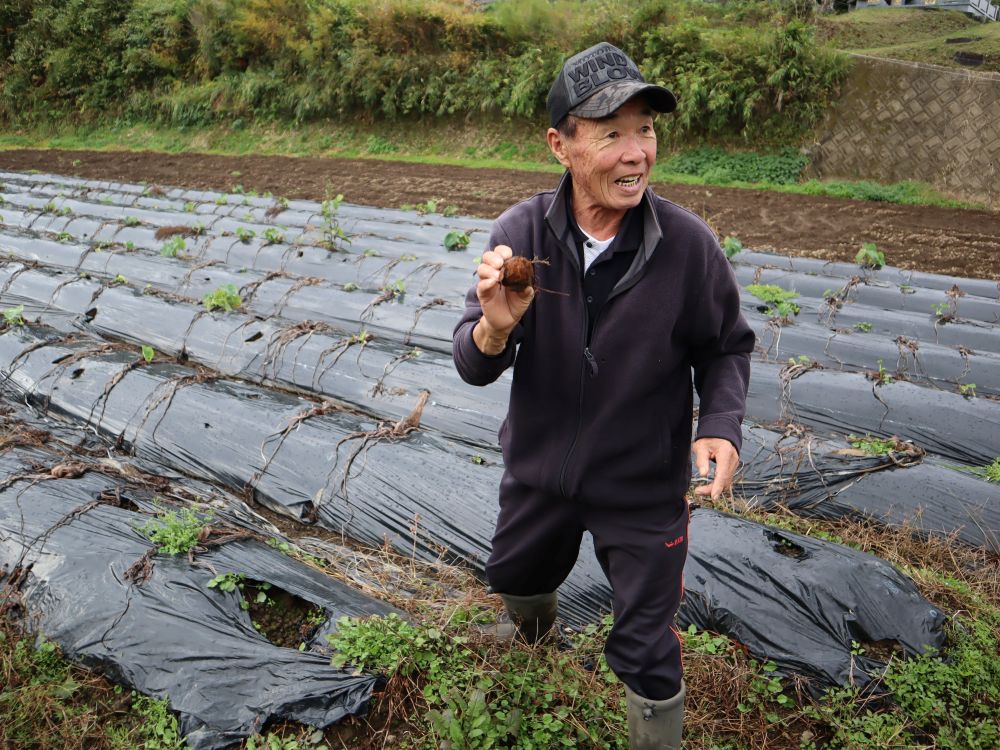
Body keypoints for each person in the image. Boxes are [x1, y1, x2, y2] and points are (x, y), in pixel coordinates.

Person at [452, 41, 754, 750]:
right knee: (516, 574)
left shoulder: (687, 246)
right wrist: (496, 330)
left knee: (647, 647)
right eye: (612, 132)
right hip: (540, 474)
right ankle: (533, 641)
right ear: (560, 146)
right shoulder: (521, 234)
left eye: (645, 129)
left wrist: (720, 422)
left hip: (642, 487)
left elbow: (725, 346)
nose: (636, 152)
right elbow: (472, 364)